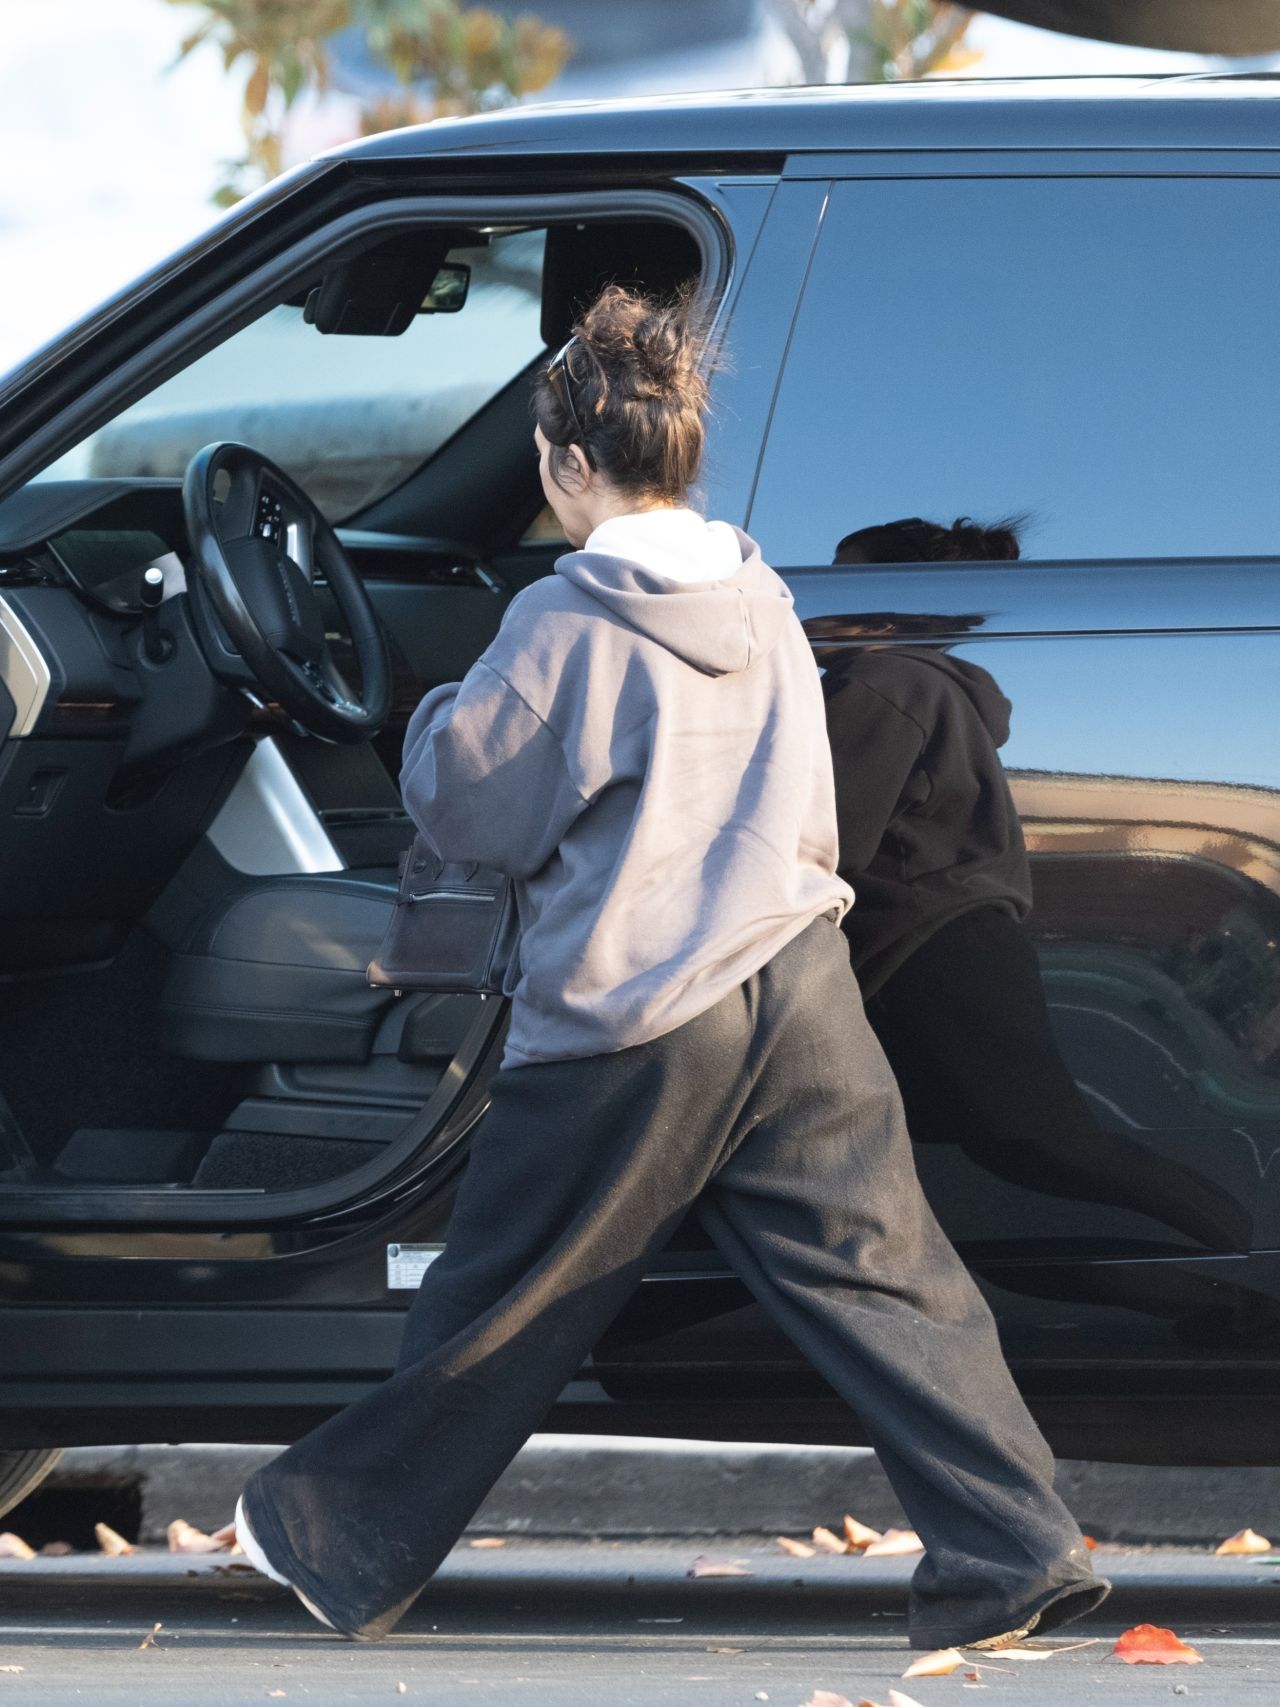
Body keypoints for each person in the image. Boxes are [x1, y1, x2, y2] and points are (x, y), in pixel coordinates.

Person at [228, 296, 1107, 1647]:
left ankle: (332, 1535)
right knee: (886, 1275)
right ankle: (1018, 1540)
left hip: (637, 1009)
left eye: (540, 457)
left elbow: (473, 813)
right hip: (799, 981)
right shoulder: (761, 591)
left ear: (574, 464)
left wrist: (431, 720)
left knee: (507, 1287)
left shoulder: (563, 619)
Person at [825, 517, 1250, 1251]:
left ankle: (1235, 1243)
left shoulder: (883, 681)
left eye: (847, 579)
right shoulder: (933, 688)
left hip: (926, 952)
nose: (823, 599)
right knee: (998, 1170)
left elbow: (820, 838)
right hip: (965, 943)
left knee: (1040, 1146)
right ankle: (1218, 1277)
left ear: (892, 601)